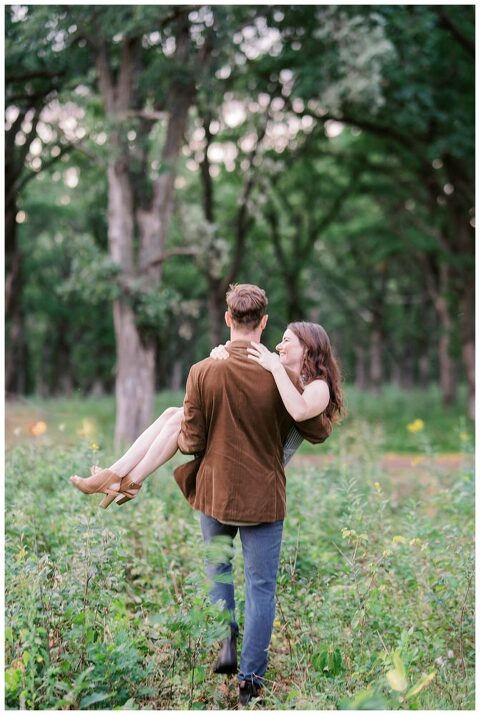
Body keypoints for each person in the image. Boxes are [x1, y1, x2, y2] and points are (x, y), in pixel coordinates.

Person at [172, 284, 343, 706]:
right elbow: (317, 429)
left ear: (228, 320)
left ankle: (225, 644)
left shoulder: (203, 370)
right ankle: (251, 681)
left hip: (216, 492)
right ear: (263, 323)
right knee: (261, 588)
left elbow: (192, 441)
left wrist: (175, 428)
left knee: (219, 572)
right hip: (264, 497)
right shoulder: (282, 377)